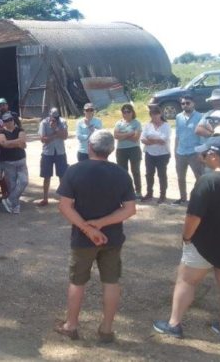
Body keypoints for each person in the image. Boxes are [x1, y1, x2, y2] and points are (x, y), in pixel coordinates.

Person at [153, 137, 220, 342]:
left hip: (203, 244)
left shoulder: (207, 181)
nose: (201, 157)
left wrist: (186, 236)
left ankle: (174, 324)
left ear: (214, 155)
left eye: (204, 154)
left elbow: (193, 217)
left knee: (186, 281)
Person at [55, 130, 137, 343]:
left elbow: (65, 206)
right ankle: (107, 329)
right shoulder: (121, 173)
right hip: (112, 239)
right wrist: (101, 224)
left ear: (90, 147)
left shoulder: (74, 171)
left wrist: (89, 228)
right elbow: (129, 210)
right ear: (111, 150)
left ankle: (71, 326)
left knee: (77, 281)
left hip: (83, 240)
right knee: (111, 282)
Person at [173, 96, 204, 205]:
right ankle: (183, 198)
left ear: (193, 103)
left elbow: (202, 136)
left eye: (187, 103)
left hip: (194, 152)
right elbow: (177, 135)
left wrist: (200, 152)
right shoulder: (178, 117)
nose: (185, 105)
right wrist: (175, 151)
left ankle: (199, 198)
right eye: (183, 104)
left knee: (199, 177)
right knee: (181, 177)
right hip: (181, 152)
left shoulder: (200, 116)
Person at [0, 112, 28, 214]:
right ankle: (15, 205)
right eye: (6, 121)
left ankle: (9, 200)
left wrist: (10, 143)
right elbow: (3, 144)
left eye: (10, 120)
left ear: (13, 120)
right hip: (8, 162)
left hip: (21, 160)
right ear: (4, 122)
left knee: (24, 182)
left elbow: (23, 141)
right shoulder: (0, 132)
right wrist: (17, 143)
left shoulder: (20, 130)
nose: (8, 122)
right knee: (12, 185)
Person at [38, 108, 69, 206]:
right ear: (49, 116)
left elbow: (65, 136)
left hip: (60, 152)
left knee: (62, 176)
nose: (55, 119)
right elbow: (43, 139)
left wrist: (55, 129)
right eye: (53, 117)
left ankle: (63, 199)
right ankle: (45, 198)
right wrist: (56, 135)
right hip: (48, 153)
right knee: (46, 176)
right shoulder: (44, 123)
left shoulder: (62, 121)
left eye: (57, 117)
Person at [140, 106, 171, 204]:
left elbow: (163, 140)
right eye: (152, 115)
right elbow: (142, 139)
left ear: (160, 114)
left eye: (156, 114)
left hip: (163, 154)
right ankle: (149, 193)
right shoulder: (148, 125)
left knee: (161, 175)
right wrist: (155, 140)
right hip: (149, 153)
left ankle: (163, 195)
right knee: (149, 174)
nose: (154, 117)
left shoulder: (166, 126)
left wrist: (150, 139)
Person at [114, 104, 142, 198]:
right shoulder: (118, 123)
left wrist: (122, 135)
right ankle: (125, 191)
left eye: (128, 111)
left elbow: (136, 138)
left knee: (135, 171)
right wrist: (129, 133)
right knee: (122, 172)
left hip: (134, 149)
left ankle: (138, 191)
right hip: (121, 150)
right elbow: (116, 136)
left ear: (132, 112)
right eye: (124, 112)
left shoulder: (136, 123)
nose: (126, 113)